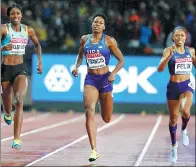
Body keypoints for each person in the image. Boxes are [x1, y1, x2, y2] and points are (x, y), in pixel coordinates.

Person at [72, 13, 124, 162]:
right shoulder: (84, 39)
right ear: (92, 24)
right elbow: (80, 56)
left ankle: (104, 99)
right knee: (89, 111)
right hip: (91, 80)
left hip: (105, 79)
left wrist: (113, 73)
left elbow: (121, 60)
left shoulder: (109, 41)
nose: (97, 24)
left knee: (106, 118)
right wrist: (76, 67)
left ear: (104, 26)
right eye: (95, 22)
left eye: (100, 23)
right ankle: (94, 149)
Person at [1, 3, 43, 150]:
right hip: (5, 69)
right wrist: (2, 48)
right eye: (12, 14)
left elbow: (38, 45)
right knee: (7, 104)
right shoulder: (3, 29)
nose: (15, 16)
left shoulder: (28, 30)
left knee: (19, 100)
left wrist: (39, 62)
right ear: (9, 16)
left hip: (20, 69)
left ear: (21, 15)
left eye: (18, 13)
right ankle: (7, 113)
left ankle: (17, 139)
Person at [157, 26, 196, 164]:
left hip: (186, 86)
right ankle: (174, 146)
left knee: (185, 112)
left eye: (182, 35)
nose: (180, 38)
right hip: (173, 87)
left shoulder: (190, 51)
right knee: (173, 119)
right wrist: (168, 55)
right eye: (177, 36)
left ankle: (184, 130)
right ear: (173, 38)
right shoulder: (168, 50)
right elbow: (160, 69)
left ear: (186, 37)